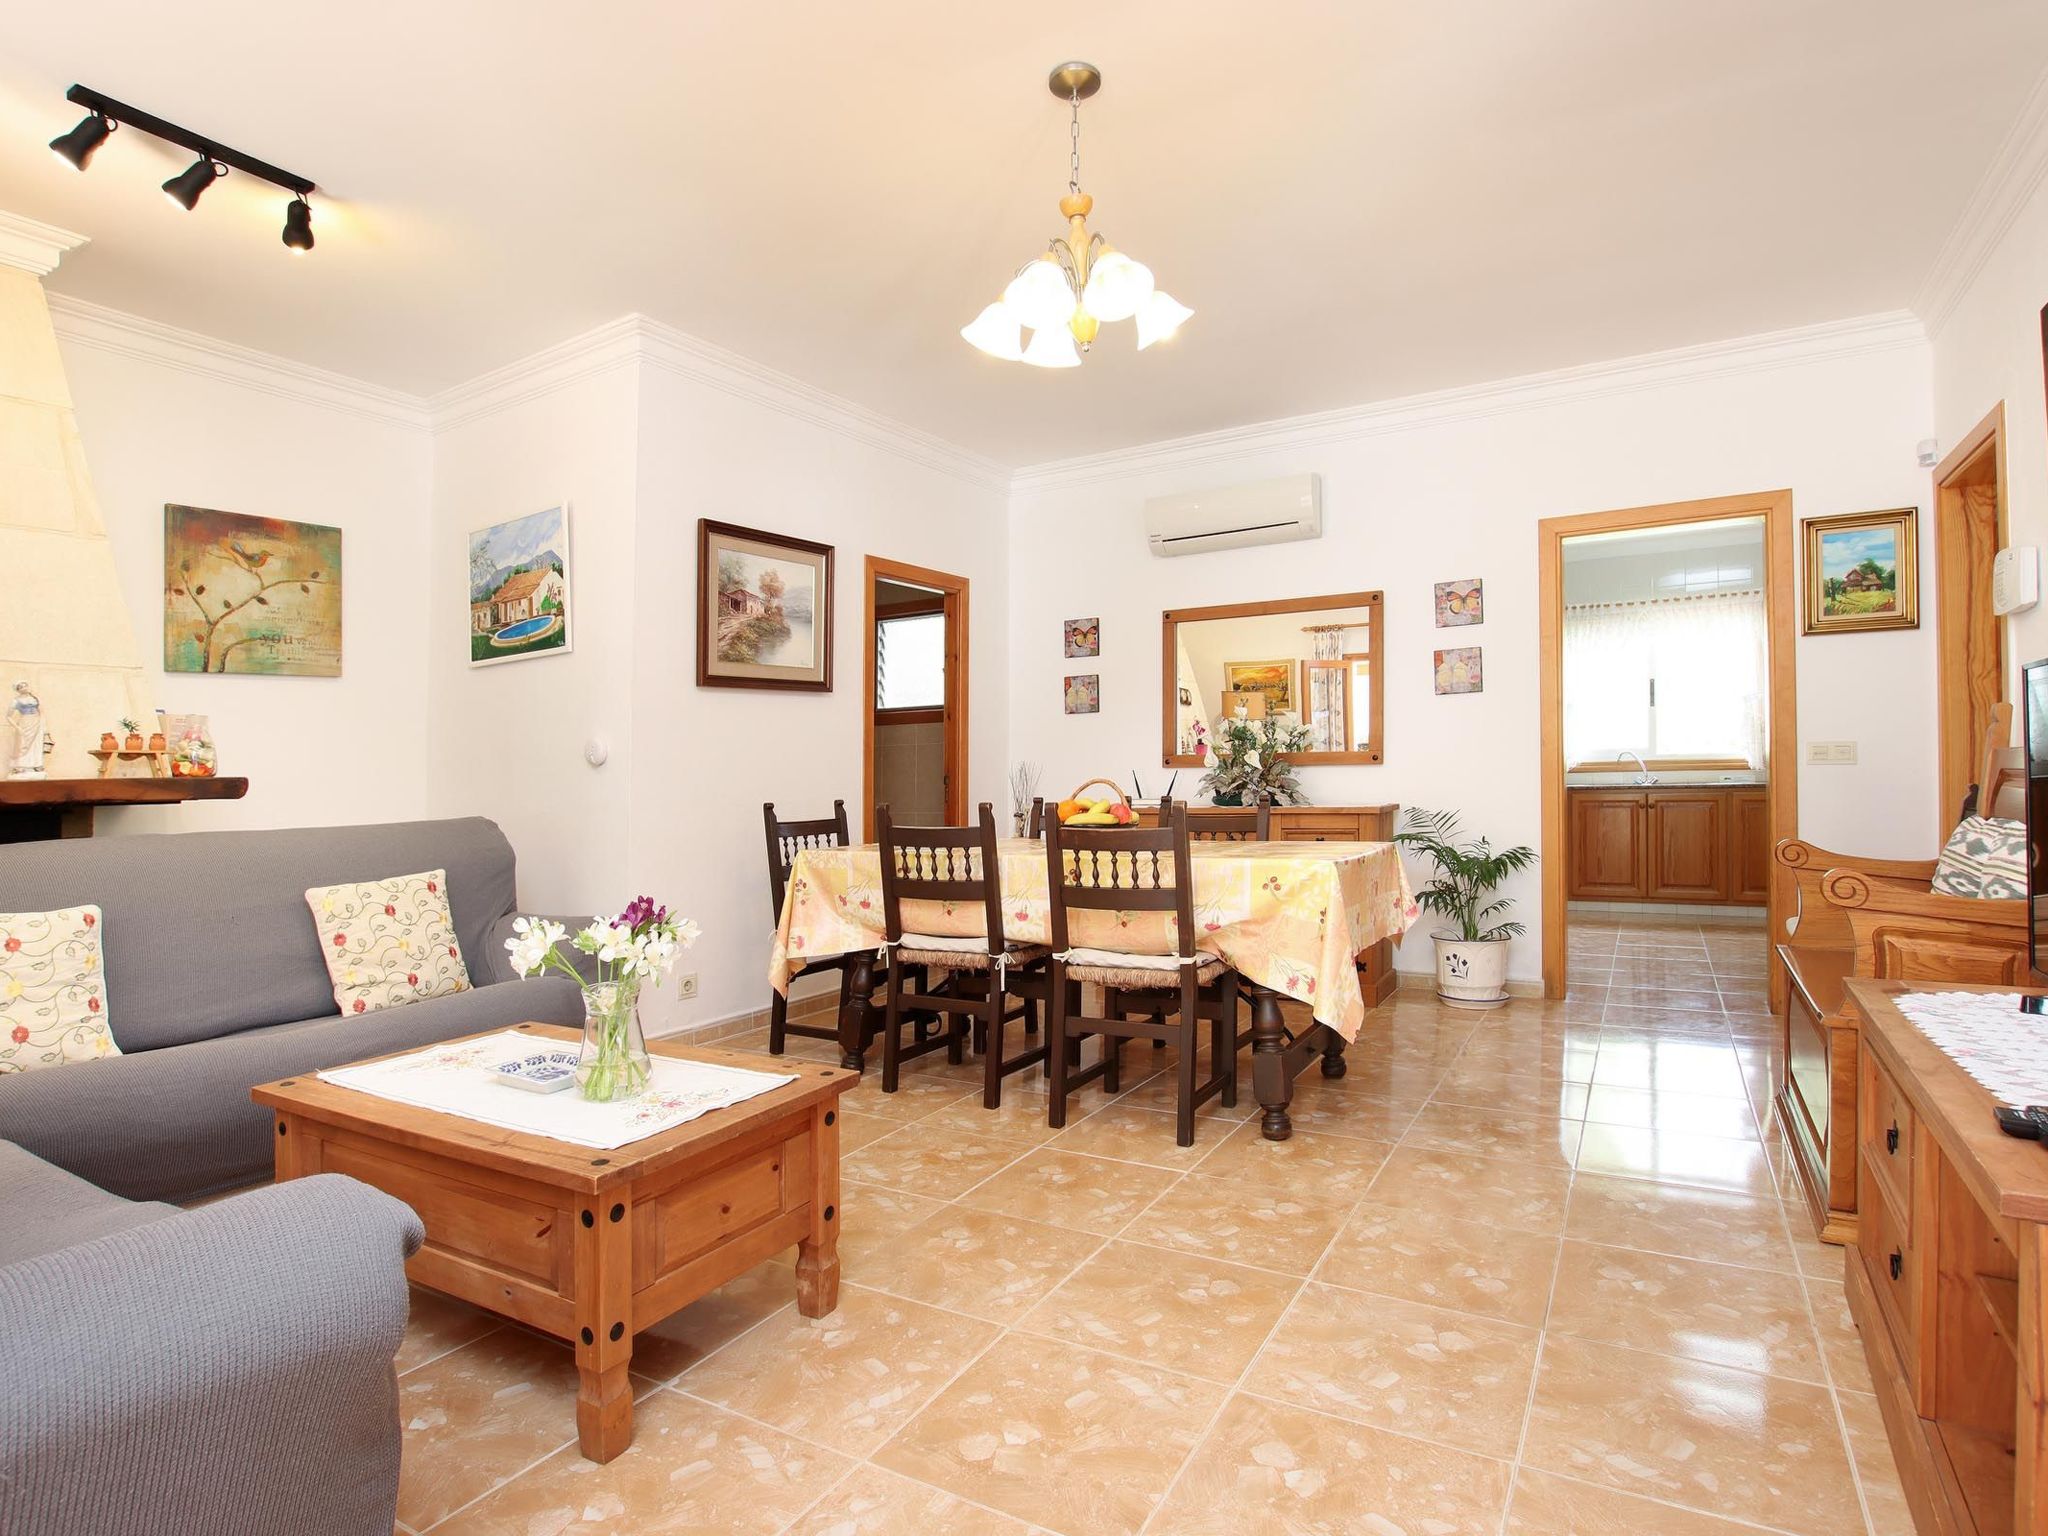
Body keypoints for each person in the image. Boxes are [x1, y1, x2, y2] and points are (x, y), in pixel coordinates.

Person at [7, 681, 48, 780]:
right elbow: (8, 716)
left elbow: (42, 712)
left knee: (36, 744)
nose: (24, 688)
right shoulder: (16, 701)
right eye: (21, 687)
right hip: (24, 722)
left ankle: (35, 764)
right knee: (22, 745)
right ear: (18, 690)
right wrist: (17, 727)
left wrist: (43, 725)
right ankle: (21, 765)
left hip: (36, 723)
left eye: (25, 685)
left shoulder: (35, 698)